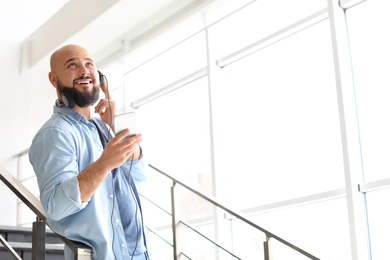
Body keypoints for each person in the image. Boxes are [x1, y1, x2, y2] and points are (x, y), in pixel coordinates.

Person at [29, 44, 150, 260]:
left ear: (99, 76)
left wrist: (115, 123)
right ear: (54, 79)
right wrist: (104, 164)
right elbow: (55, 206)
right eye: (72, 65)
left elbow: (139, 173)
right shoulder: (56, 132)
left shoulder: (101, 125)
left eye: (89, 64)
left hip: (137, 251)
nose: (84, 71)